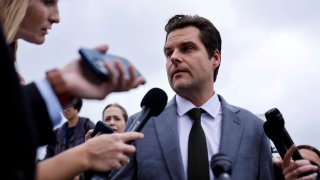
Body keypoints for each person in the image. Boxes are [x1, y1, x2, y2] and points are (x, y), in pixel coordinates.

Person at [110, 14, 275, 180]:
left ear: (215, 58)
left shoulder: (254, 129)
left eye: (187, 48)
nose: (173, 57)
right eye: (168, 53)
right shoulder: (139, 126)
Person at [0, 0, 145, 179]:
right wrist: (86, 155)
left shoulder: (86, 125)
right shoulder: (58, 132)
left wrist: (58, 87)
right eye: (47, 2)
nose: (57, 17)